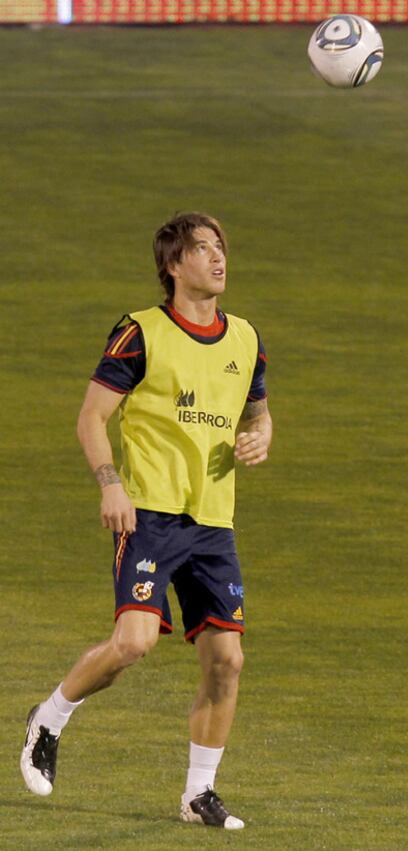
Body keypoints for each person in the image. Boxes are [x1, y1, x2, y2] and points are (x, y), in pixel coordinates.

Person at [20, 211, 272, 830]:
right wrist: (111, 485)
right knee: (133, 643)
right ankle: (48, 718)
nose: (218, 259)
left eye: (220, 248)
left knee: (227, 660)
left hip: (213, 521)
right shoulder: (141, 333)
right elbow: (91, 417)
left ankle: (198, 794)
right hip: (151, 515)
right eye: (202, 249)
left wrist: (261, 435)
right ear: (172, 264)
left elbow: (260, 412)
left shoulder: (245, 339)